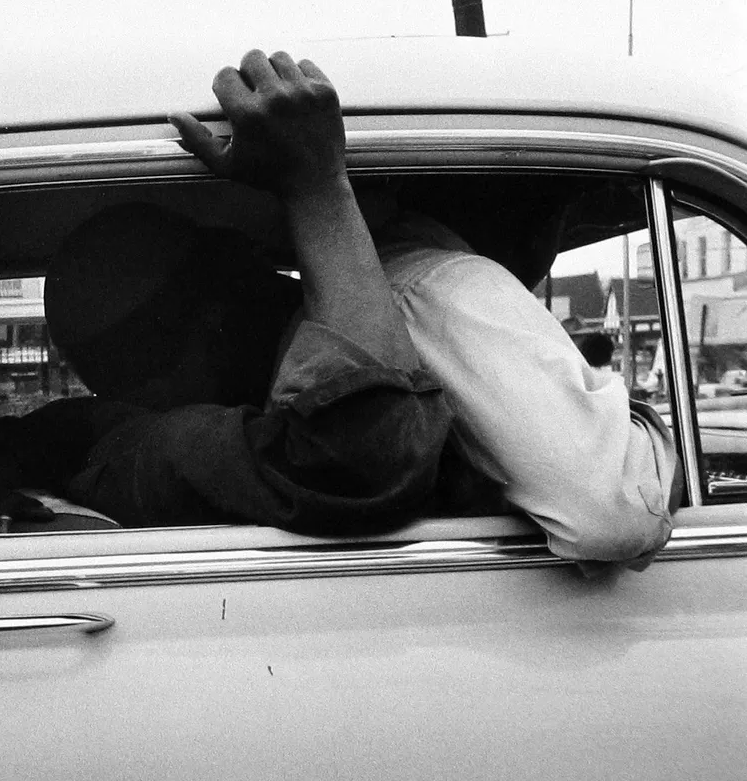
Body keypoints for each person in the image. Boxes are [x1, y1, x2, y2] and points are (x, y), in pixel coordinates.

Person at [178, 82, 676, 572]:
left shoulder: (363, 291)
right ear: (537, 209)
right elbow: (613, 514)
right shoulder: (450, 285)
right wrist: (646, 437)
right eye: (564, 213)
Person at [0, 50, 452, 534]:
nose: (265, 290)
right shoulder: (145, 445)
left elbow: (8, 444)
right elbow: (359, 457)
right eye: (140, 350)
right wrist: (317, 186)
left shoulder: (109, 434)